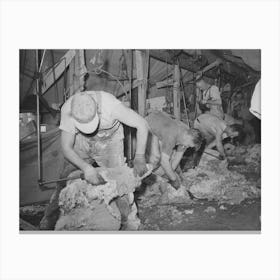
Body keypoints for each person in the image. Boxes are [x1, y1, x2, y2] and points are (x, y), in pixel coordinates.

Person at [40, 90, 149, 230]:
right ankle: (50, 220)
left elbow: (142, 124)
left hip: (110, 141)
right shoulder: (68, 109)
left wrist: (139, 156)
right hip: (81, 141)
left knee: (121, 183)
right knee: (65, 177)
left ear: (97, 109)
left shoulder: (111, 106)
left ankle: (128, 223)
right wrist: (86, 167)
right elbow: (66, 148)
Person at [145, 111, 203, 190]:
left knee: (169, 165)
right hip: (146, 126)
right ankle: (145, 177)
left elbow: (178, 157)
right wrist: (174, 179)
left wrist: (169, 175)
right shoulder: (172, 135)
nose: (187, 147)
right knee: (156, 158)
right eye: (189, 145)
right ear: (187, 136)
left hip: (161, 126)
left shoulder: (186, 132)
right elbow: (164, 161)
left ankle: (161, 176)